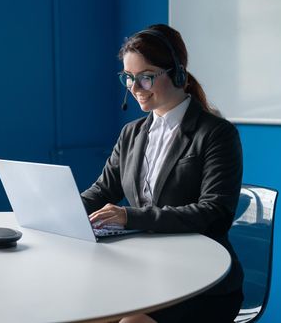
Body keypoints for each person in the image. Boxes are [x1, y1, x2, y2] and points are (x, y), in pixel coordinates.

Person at [81, 24, 244, 323]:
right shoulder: (131, 134)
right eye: (128, 78)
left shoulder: (215, 134)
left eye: (145, 77)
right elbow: (102, 191)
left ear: (178, 75)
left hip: (202, 282)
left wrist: (130, 216)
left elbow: (215, 212)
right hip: (145, 272)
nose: (134, 87)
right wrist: (58, 209)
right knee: (82, 312)